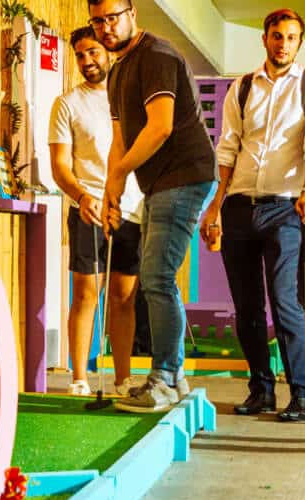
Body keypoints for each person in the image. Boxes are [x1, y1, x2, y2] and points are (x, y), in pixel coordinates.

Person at [197, 9, 305, 421]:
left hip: (285, 208)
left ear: (299, 43)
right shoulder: (241, 88)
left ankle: (303, 397)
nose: (283, 44)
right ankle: (261, 390)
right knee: (247, 307)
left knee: (285, 300)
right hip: (239, 205)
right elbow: (228, 147)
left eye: (291, 37)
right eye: (277, 35)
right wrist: (215, 205)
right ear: (265, 39)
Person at [88, 0, 218, 413]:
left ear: (132, 13)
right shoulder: (118, 71)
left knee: (157, 275)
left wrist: (121, 175)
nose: (107, 27)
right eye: (98, 21)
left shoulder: (157, 55)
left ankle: (164, 377)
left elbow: (160, 127)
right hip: (158, 182)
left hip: (185, 174)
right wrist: (112, 188)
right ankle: (173, 379)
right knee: (155, 274)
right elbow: (121, 139)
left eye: (113, 17)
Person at [49, 27, 144, 397]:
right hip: (87, 209)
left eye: (93, 52)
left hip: (130, 208)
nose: (87, 61)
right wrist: (81, 196)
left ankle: (122, 380)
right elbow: (60, 165)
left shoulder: (130, 100)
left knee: (123, 296)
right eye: (80, 56)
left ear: (108, 52)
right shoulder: (67, 104)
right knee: (87, 292)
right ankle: (79, 378)